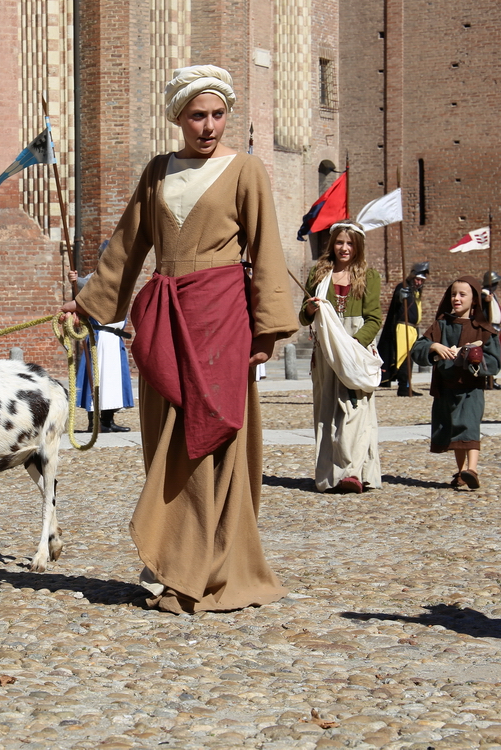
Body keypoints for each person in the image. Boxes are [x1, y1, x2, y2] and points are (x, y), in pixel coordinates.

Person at [60, 65, 299, 613]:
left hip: (223, 319)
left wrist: (266, 329)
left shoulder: (247, 170)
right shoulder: (156, 172)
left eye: (217, 115)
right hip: (167, 318)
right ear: (179, 119)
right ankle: (174, 562)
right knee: (167, 438)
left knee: (213, 438)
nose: (209, 125)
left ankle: (214, 570)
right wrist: (90, 306)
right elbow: (125, 248)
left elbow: (265, 251)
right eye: (198, 115)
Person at [298, 221, 382, 494]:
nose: (344, 248)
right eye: (339, 242)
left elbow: (374, 318)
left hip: (355, 347)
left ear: (357, 246)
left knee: (355, 409)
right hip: (326, 349)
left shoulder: (368, 276)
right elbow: (303, 316)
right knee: (326, 411)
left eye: (350, 243)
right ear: (332, 244)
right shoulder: (319, 274)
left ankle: (354, 472)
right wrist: (310, 310)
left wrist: (355, 344)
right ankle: (329, 476)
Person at [410, 276, 501, 490]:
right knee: (455, 432)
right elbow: (417, 348)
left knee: (469, 426)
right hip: (446, 387)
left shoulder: (484, 330)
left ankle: (473, 470)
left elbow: (494, 363)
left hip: (470, 388)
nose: (456, 299)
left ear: (474, 300)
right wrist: (434, 347)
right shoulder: (441, 325)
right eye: (453, 294)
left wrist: (474, 357)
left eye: (462, 294)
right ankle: (462, 472)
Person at [68, 267, 134, 433]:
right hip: (100, 338)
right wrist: (76, 281)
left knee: (113, 382)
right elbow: (91, 286)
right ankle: (94, 422)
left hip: (114, 338)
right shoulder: (96, 278)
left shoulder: (120, 279)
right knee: (97, 380)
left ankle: (107, 420)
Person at [379, 262, 429, 396]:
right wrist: (400, 296)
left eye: (421, 280)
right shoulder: (403, 287)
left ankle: (407, 385)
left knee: (410, 358)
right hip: (403, 327)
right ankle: (403, 387)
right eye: (417, 279)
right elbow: (397, 300)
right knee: (403, 358)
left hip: (412, 329)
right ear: (412, 277)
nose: (419, 282)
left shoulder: (416, 292)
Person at [480, 270, 501, 390]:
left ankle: (492, 378)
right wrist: (486, 301)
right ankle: (488, 379)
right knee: (490, 354)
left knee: (497, 354)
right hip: (488, 328)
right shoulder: (483, 294)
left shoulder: (491, 294)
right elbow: (480, 304)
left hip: (495, 329)